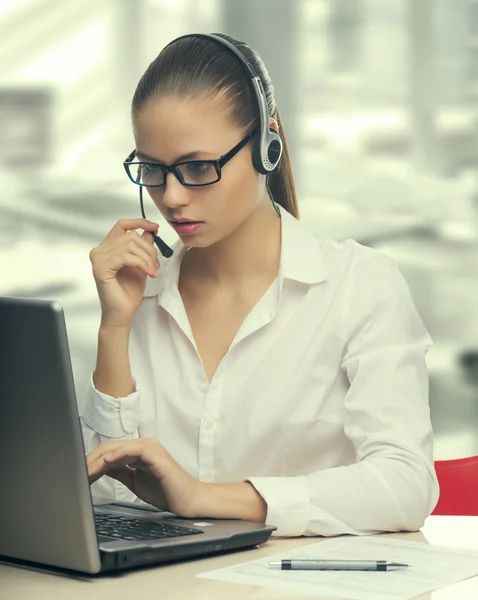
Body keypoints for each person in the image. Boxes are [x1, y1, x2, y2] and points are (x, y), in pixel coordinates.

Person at [81, 32, 439, 538]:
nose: (172, 196)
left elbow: (404, 485)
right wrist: (114, 329)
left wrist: (206, 498)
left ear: (267, 145)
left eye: (198, 167)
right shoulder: (139, 294)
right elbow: (108, 503)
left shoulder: (359, 286)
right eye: (153, 170)